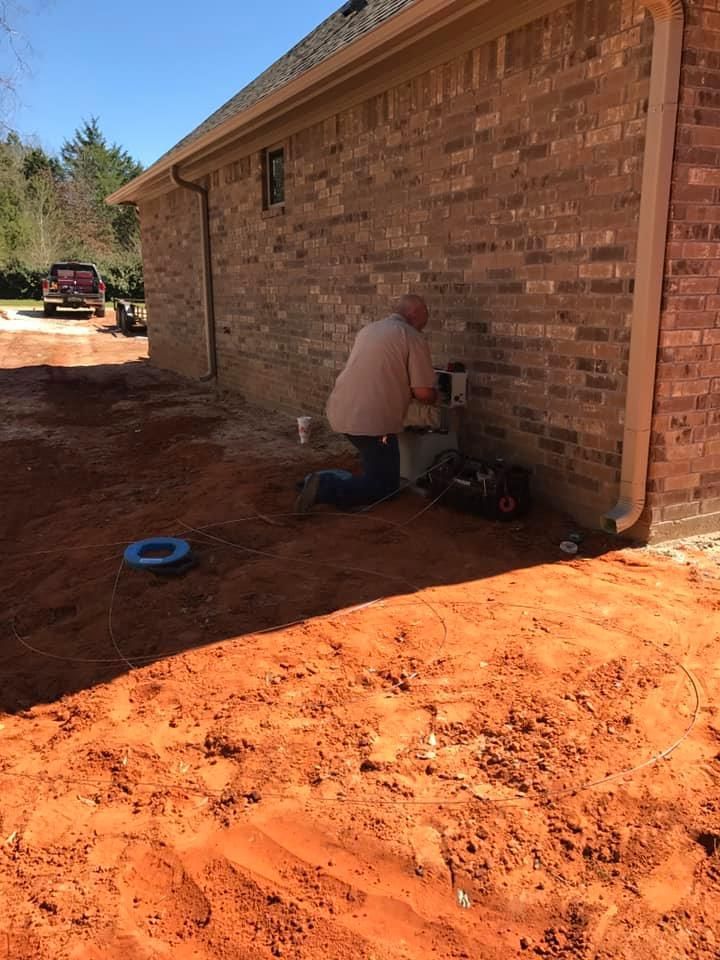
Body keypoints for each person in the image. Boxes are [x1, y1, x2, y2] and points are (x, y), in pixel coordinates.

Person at [296, 294, 438, 513]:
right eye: (426, 317)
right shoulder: (412, 336)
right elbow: (423, 393)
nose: (425, 324)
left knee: (375, 460)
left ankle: (311, 480)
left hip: (341, 409)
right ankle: (323, 488)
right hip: (373, 424)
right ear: (415, 313)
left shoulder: (369, 330)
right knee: (384, 487)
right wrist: (437, 397)